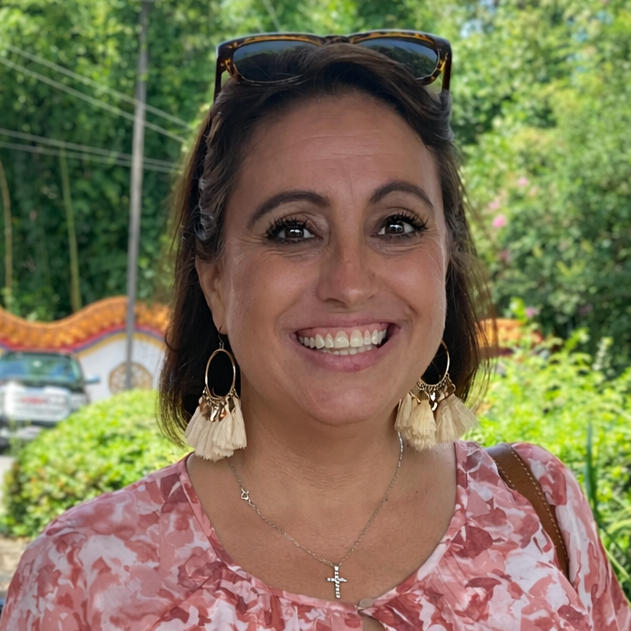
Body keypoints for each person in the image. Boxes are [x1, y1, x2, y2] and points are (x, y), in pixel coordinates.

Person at [2, 31, 630, 631]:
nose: (349, 283)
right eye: (293, 230)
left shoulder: (537, 507)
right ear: (215, 280)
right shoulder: (83, 577)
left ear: (446, 257)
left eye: (397, 225)